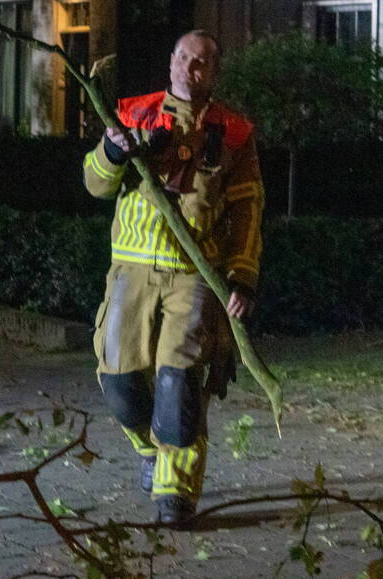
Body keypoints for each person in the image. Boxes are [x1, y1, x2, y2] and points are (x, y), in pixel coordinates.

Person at [82, 30, 264, 527]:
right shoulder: (132, 113)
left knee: (179, 385)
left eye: (201, 61)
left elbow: (248, 211)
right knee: (120, 381)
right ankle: (150, 451)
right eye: (182, 57)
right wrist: (115, 154)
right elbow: (95, 183)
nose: (189, 67)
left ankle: (175, 491)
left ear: (213, 72)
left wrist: (241, 278)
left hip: (195, 275)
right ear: (170, 61)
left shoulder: (235, 133)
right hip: (131, 270)